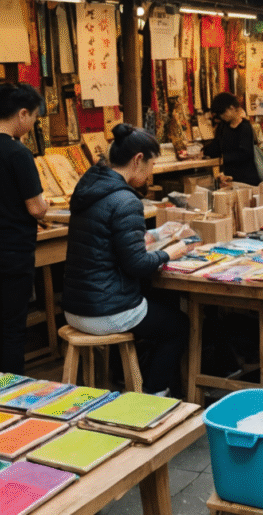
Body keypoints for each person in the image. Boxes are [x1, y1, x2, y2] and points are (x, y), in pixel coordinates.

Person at [63, 124, 190, 396]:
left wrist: (153, 235)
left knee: (160, 306)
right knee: (178, 325)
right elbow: (136, 265)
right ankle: (156, 394)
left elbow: (107, 244)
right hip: (105, 311)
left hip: (75, 306)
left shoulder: (91, 187)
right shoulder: (125, 200)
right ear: (137, 160)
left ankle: (129, 377)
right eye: (151, 165)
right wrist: (170, 252)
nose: (151, 173)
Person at [0, 83, 48, 374]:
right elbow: (37, 208)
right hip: (11, 253)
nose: (31, 124)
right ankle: (8, 397)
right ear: (22, 113)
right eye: (33, 117)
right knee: (12, 327)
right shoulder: (18, 153)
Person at [203, 92, 260, 186]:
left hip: (247, 179)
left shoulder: (245, 127)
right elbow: (216, 146)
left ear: (232, 108)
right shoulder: (223, 127)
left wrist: (225, 157)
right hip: (229, 179)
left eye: (222, 113)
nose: (221, 116)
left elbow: (246, 153)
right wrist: (204, 152)